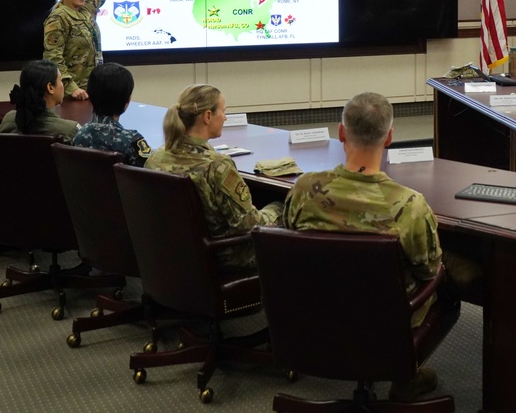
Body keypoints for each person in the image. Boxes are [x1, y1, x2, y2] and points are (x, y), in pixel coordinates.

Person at [282, 92, 452, 403]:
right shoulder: (410, 206)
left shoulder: (304, 189)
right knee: (450, 285)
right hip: (387, 324)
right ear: (389, 137)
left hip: (314, 312)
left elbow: (288, 237)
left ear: (341, 132)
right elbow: (428, 270)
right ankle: (406, 375)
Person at [145, 84, 282, 269]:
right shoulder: (217, 166)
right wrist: (278, 209)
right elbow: (248, 225)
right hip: (224, 257)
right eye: (223, 112)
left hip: (173, 254)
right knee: (285, 208)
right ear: (208, 116)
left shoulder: (156, 158)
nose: (225, 118)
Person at [71, 62, 152, 166]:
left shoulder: (79, 135)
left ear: (90, 96)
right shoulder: (132, 141)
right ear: (127, 101)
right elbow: (148, 176)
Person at [0, 59, 79, 142]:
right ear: (50, 88)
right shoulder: (70, 130)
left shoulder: (10, 119)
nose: (63, 84)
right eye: (60, 80)